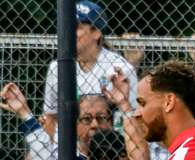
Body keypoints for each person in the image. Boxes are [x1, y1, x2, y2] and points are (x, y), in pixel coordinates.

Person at [42, 1, 137, 137]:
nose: (68, 31)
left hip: (110, 147)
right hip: (70, 147)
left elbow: (131, 118)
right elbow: (50, 118)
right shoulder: (56, 68)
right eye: (65, 25)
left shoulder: (120, 70)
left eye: (75, 27)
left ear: (96, 32)